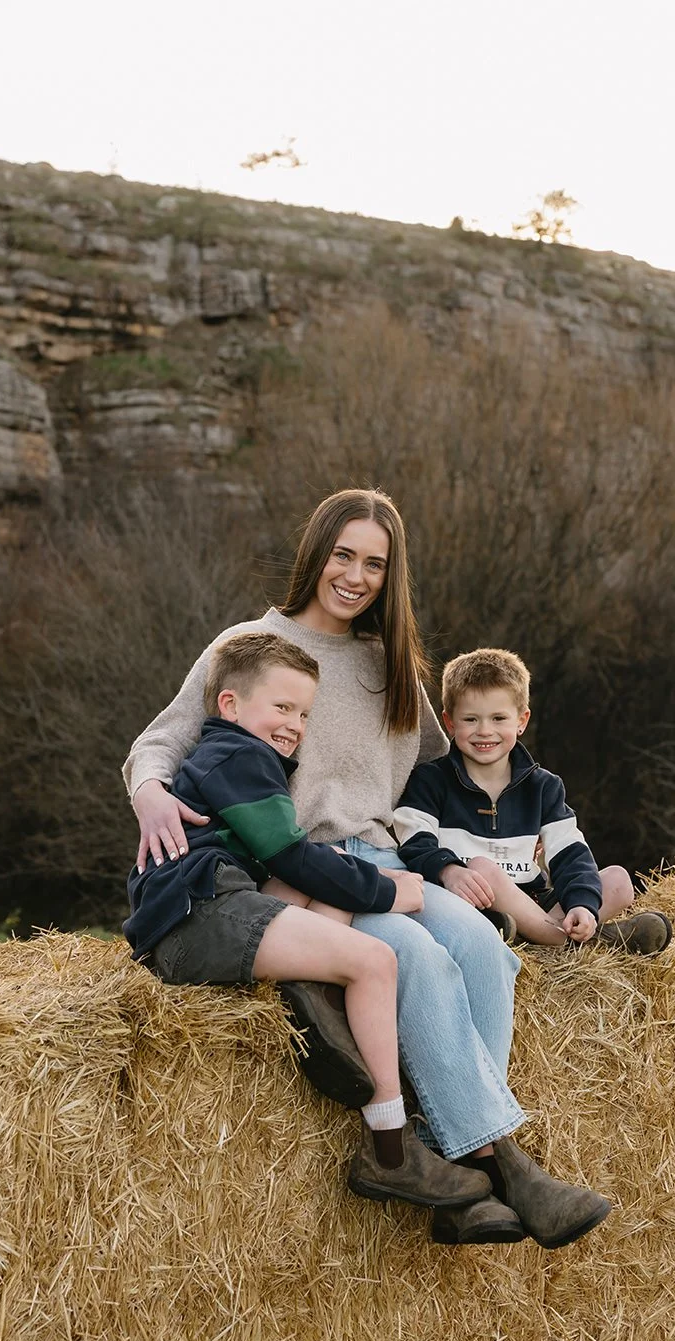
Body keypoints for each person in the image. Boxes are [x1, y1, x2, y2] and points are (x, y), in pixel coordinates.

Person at [124, 488, 612, 1248]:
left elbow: (455, 771)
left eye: (375, 564)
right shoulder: (250, 645)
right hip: (316, 869)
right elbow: (163, 740)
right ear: (316, 552)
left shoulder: (390, 669)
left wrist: (492, 857)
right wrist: (151, 794)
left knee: (484, 951)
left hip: (389, 855)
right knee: (413, 958)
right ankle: (499, 1165)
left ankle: (460, 1158)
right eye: (343, 555)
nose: (355, 575)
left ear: (392, 576)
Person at [124, 631, 491, 1214]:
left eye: (303, 712)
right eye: (282, 707)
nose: (295, 723)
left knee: (331, 871)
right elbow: (291, 855)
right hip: (199, 912)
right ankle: (390, 1150)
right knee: (376, 960)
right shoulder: (238, 757)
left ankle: (311, 997)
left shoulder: (243, 756)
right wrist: (388, 891)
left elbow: (296, 865)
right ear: (230, 705)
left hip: (216, 900)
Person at [393, 648, 673, 953]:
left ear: (521, 720)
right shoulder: (431, 780)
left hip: (535, 900)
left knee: (618, 880)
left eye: (499, 718)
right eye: (470, 719)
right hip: (472, 902)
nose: (485, 731)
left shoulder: (543, 787)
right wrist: (449, 870)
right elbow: (414, 841)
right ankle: (591, 940)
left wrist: (583, 906)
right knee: (482, 868)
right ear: (449, 722)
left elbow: (569, 852)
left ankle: (550, 932)